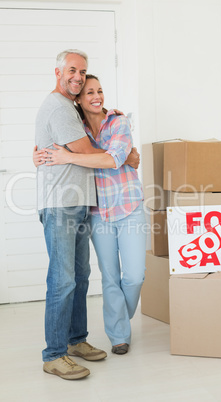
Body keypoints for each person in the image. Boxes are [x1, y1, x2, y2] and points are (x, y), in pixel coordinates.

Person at [37, 74, 147, 356]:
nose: (96, 96)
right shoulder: (76, 128)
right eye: (89, 93)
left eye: (99, 91)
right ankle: (119, 335)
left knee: (134, 276)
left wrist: (69, 157)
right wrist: (38, 155)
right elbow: (47, 146)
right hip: (97, 212)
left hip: (129, 206)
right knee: (109, 276)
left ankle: (121, 314)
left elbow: (113, 158)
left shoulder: (119, 121)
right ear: (79, 99)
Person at [35, 49, 109, 381]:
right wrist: (117, 151)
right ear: (58, 72)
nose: (78, 77)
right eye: (73, 70)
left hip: (78, 202)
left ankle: (76, 341)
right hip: (60, 204)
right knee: (63, 280)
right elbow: (87, 151)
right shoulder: (58, 106)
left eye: (83, 71)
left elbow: (58, 148)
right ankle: (54, 354)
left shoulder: (71, 107)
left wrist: (109, 115)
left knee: (80, 276)